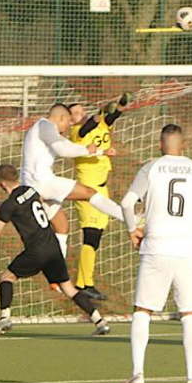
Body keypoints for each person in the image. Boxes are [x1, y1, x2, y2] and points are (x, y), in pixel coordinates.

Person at [118, 124, 192, 383]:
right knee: (189, 314)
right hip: (187, 250)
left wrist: (133, 229)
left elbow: (126, 203)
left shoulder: (151, 167)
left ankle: (138, 372)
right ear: (184, 145)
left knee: (143, 310)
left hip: (156, 247)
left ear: (159, 144)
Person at [0, 164, 110, 337]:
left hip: (36, 250)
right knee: (68, 288)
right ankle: (100, 321)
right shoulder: (31, 190)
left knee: (7, 277)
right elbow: (37, 203)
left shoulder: (8, 206)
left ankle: (4, 318)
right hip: (53, 246)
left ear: (1, 184)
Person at [19, 103, 124, 264]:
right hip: (43, 183)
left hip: (33, 186)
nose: (69, 125)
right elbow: (63, 150)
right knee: (89, 193)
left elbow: (69, 146)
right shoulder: (45, 125)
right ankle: (128, 217)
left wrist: (100, 151)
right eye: (68, 121)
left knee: (61, 226)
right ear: (60, 118)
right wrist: (87, 150)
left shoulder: (46, 129)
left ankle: (56, 272)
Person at [68, 93, 132, 301]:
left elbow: (112, 117)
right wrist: (102, 110)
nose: (80, 114)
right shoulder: (78, 132)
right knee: (91, 235)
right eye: (75, 113)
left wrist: (120, 105)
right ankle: (83, 284)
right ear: (70, 120)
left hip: (102, 189)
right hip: (86, 190)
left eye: (81, 110)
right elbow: (91, 125)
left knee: (96, 238)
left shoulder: (102, 124)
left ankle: (85, 282)